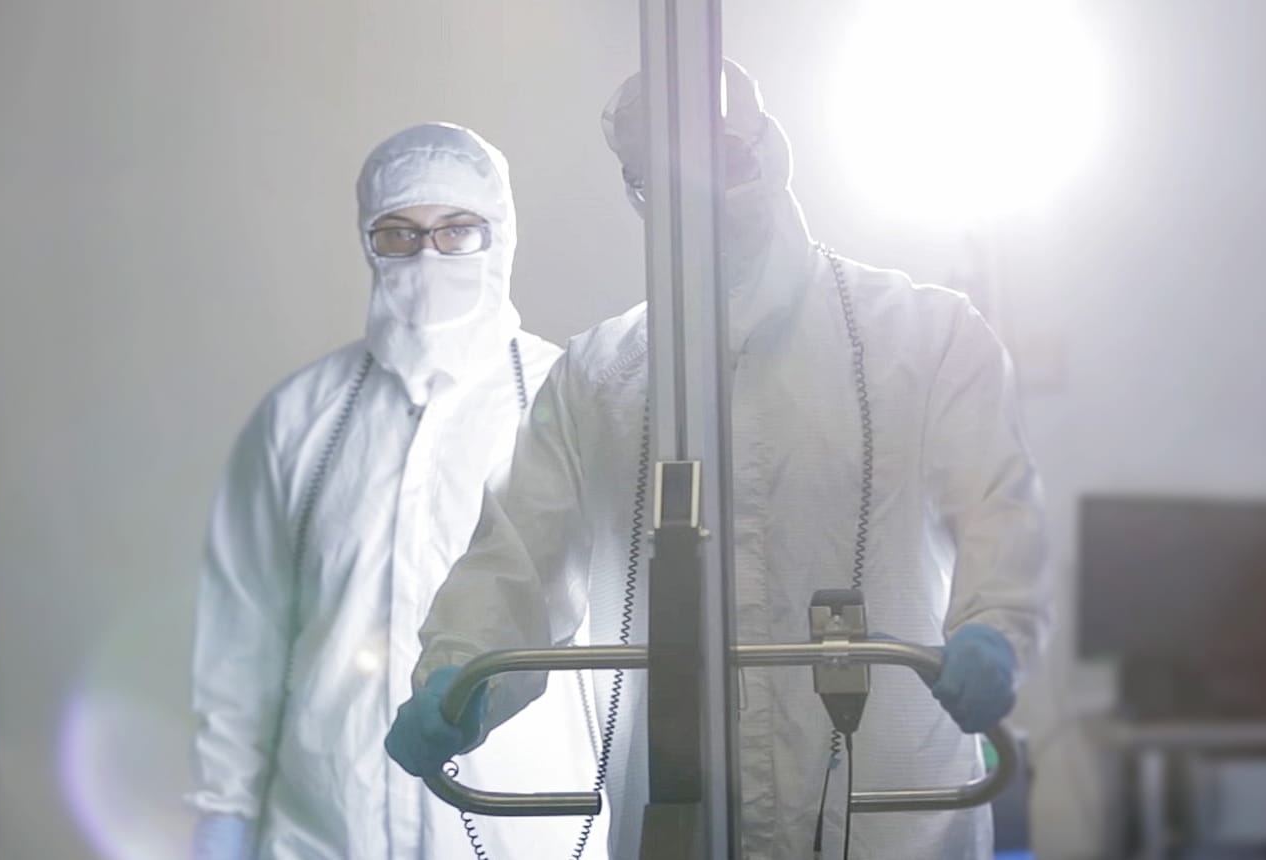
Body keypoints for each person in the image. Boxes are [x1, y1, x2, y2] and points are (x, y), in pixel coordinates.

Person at [385, 62, 1049, 859]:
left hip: (896, 819)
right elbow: (515, 562)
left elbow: (997, 515)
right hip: (679, 818)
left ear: (769, 152)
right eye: (658, 178)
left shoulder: (924, 336)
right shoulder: (599, 376)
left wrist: (994, 631)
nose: (695, 191)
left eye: (720, 157)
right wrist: (457, 676)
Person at [189, 123, 602, 860]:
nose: (429, 256)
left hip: (523, 829)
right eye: (400, 235)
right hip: (322, 832)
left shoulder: (567, 400)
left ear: (501, 236)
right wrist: (224, 815)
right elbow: (240, 642)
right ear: (366, 242)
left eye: (457, 232)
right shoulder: (299, 420)